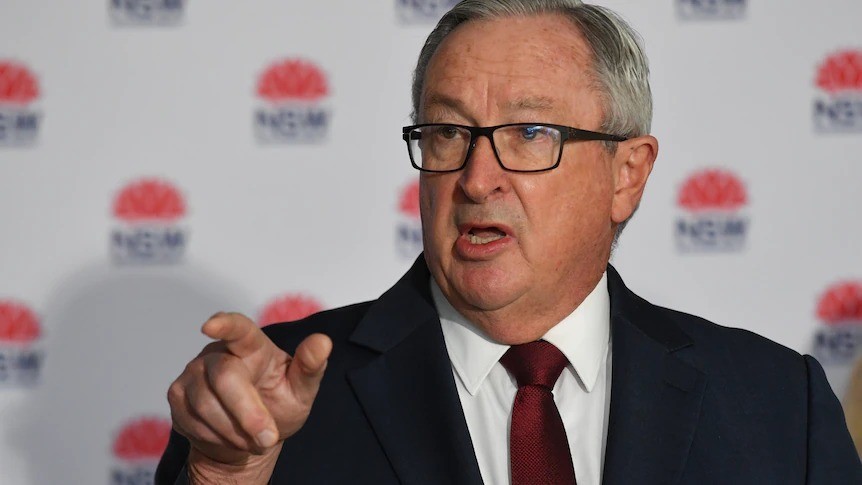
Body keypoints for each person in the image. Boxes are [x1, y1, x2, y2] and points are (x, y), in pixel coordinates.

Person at [156, 1, 862, 483]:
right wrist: (225, 473)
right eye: (448, 132)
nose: (475, 176)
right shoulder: (274, 404)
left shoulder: (776, 405)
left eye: (530, 133)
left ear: (627, 173)